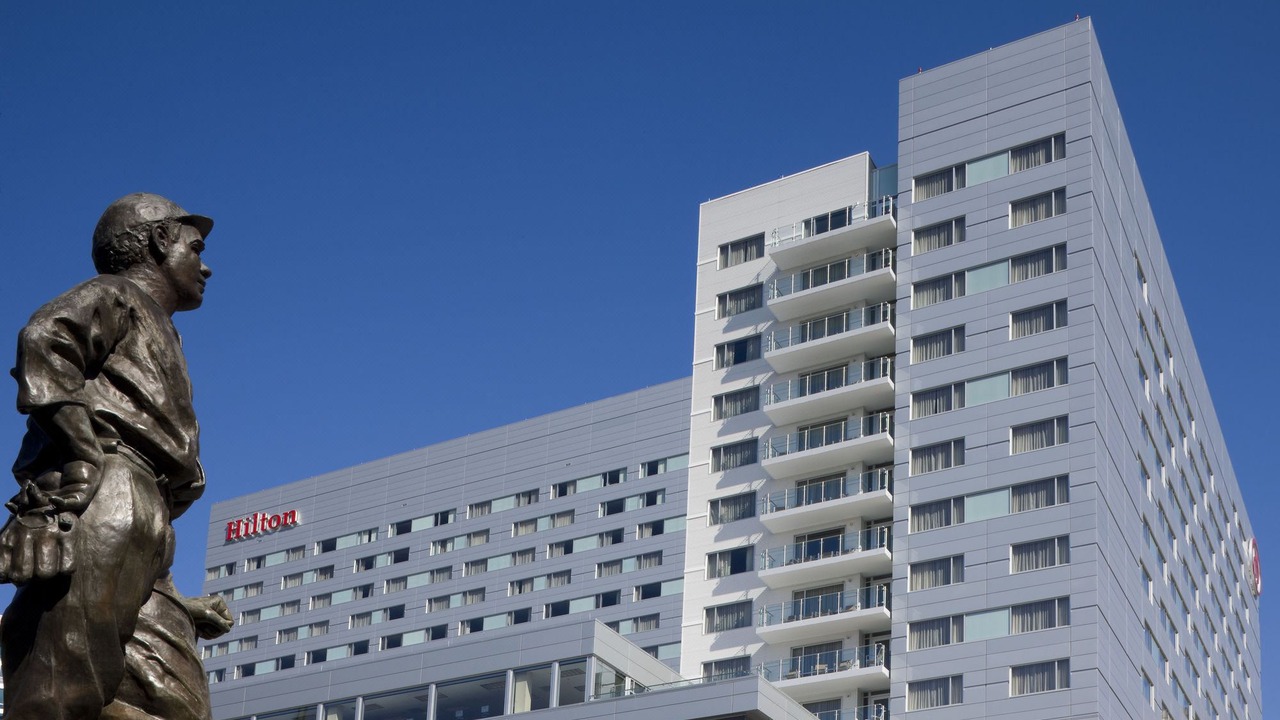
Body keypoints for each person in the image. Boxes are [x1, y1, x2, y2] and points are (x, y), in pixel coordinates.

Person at [0, 193, 233, 719]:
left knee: (174, 700)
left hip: (147, 514)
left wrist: (179, 604)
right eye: (195, 249)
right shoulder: (114, 295)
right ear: (158, 241)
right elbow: (44, 340)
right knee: (60, 684)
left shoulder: (158, 324)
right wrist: (84, 455)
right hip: (112, 486)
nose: (206, 265)